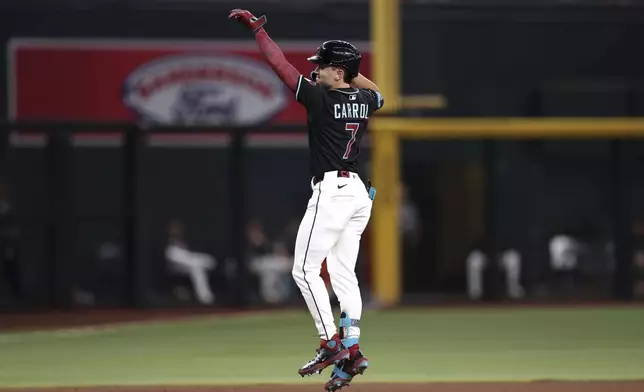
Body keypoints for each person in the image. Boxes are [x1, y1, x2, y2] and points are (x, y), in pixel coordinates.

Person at [229, 9, 384, 392]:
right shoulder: (365, 99)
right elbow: (378, 92)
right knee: (345, 276)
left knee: (303, 270)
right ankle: (352, 351)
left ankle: (329, 341)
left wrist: (259, 32)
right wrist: (349, 69)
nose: (314, 71)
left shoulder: (321, 100)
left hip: (332, 192)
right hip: (360, 197)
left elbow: (280, 66)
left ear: (338, 73)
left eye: (322, 67)